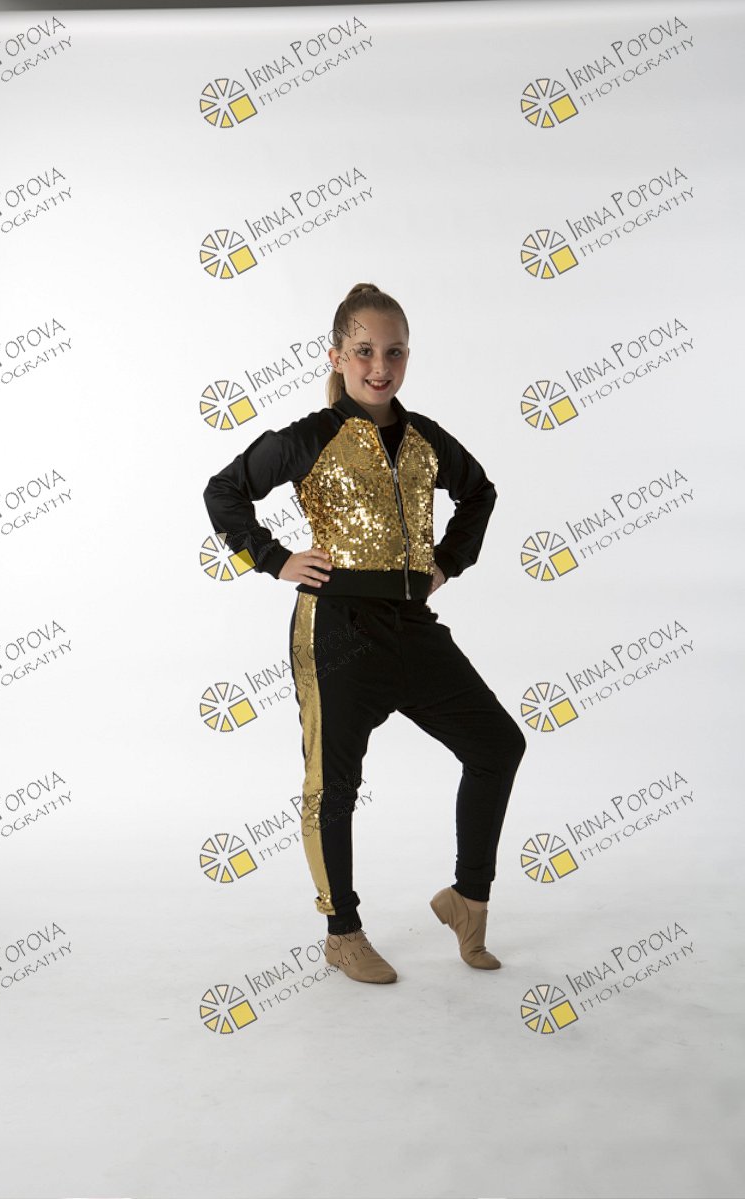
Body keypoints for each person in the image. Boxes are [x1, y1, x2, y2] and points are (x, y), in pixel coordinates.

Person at [204, 283, 526, 985]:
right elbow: (223, 491)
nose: (380, 367)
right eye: (364, 351)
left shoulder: (425, 438)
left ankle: (468, 900)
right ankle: (342, 931)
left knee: (498, 744)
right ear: (337, 356)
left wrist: (447, 562)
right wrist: (274, 558)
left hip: (411, 624)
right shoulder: (310, 437)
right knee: (334, 785)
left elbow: (481, 492)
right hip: (337, 628)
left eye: (394, 352)